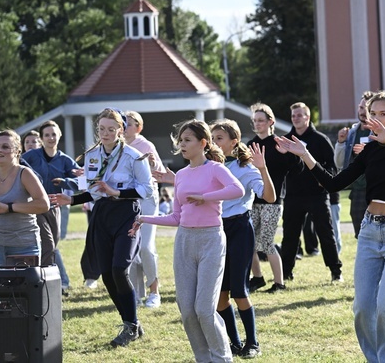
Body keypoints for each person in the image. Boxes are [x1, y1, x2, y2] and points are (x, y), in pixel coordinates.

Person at [276, 90, 385, 363]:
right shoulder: (369, 150)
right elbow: (335, 182)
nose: (377, 119)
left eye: (383, 114)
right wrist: (305, 154)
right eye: (374, 114)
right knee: (362, 308)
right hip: (370, 232)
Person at [132, 119, 244, 361]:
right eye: (180, 141)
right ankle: (203, 358)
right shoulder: (181, 175)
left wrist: (206, 197)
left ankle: (222, 358)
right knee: (187, 311)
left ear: (203, 143)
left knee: (204, 309)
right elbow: (176, 217)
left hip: (211, 240)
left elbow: (238, 190)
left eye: (187, 140)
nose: (181, 145)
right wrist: (143, 219)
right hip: (184, 241)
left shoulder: (215, 169)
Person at [50, 108, 153, 347]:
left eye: (111, 129)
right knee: (106, 273)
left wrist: (116, 192)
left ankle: (130, 325)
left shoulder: (134, 156)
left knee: (119, 269)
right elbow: (95, 188)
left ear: (121, 130)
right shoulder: (94, 155)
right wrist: (72, 198)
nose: (105, 133)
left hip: (127, 214)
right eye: (101, 129)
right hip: (102, 215)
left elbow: (147, 190)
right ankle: (131, 323)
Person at [211, 119, 276, 358]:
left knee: (239, 292)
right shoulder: (209, 165)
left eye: (219, 138)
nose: (214, 142)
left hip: (239, 229)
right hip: (215, 230)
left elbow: (269, 197)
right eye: (212, 137)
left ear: (234, 141)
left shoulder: (244, 168)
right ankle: (234, 343)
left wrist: (262, 168)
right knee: (219, 295)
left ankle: (253, 343)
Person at [279, 102, 343, 283]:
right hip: (293, 195)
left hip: (317, 194)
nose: (296, 118)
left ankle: (335, 271)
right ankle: (285, 273)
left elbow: (332, 167)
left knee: (325, 233)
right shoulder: (285, 141)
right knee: (290, 235)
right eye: (293, 116)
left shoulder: (320, 139)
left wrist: (324, 180)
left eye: (299, 115)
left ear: (308, 117)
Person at [248, 103, 303, 293]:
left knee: (267, 241)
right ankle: (257, 278)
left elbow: (298, 168)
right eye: (255, 121)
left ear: (271, 122)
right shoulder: (250, 145)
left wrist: (289, 154)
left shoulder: (280, 143)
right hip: (252, 201)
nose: (257, 124)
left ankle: (279, 283)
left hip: (273, 201)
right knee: (250, 242)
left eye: (261, 121)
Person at [22, 120, 80, 296]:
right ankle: (47, 286)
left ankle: (51, 282)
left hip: (56, 207)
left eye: (54, 134)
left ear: (59, 135)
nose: (51, 138)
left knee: (53, 245)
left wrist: (66, 181)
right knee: (47, 243)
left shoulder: (65, 160)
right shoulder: (30, 157)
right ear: (41, 138)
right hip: (37, 206)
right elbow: (17, 171)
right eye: (47, 135)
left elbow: (81, 181)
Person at [123, 110, 166, 308]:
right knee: (131, 247)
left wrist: (151, 162)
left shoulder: (146, 145)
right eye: (123, 123)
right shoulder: (117, 147)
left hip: (147, 200)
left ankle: (154, 292)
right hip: (127, 201)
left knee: (147, 247)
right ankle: (136, 295)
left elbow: (160, 171)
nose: (125, 127)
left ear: (138, 128)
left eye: (129, 123)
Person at [0, 130, 50, 265]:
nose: (0, 150)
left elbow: (44, 204)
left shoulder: (24, 173)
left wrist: (9, 208)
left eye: (5, 147)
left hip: (23, 245)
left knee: (22, 286)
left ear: (17, 151)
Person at [335, 91, 374, 239]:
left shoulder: (380, 133)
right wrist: (340, 143)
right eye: (360, 107)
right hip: (357, 190)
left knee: (378, 232)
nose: (363, 112)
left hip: (376, 188)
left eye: (366, 108)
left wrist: (369, 151)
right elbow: (339, 163)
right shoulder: (351, 133)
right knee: (361, 234)